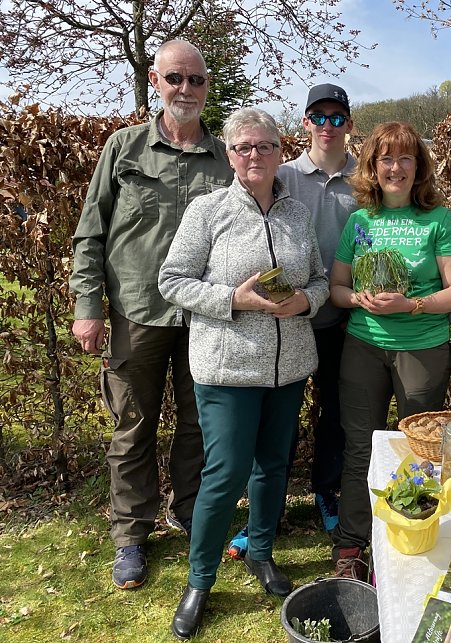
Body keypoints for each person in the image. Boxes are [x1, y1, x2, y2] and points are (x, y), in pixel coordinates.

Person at [158, 107, 328, 640]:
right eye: (243, 147)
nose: (255, 156)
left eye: (265, 146)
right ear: (229, 155)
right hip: (227, 369)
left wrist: (303, 300)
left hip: (288, 368)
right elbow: (171, 280)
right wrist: (232, 297)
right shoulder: (208, 212)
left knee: (273, 466)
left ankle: (260, 552)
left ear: (282, 151)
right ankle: (200, 579)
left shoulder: (298, 214)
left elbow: (321, 279)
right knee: (225, 474)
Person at [69, 39, 233, 590]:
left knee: (200, 426)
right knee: (133, 427)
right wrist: (88, 307)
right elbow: (91, 232)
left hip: (205, 319)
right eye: (174, 79)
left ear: (206, 87)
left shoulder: (225, 157)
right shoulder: (125, 148)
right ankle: (131, 537)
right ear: (155, 83)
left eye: (195, 80)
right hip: (136, 313)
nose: (185, 89)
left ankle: (187, 514)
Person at [328, 122, 451, 580]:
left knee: (418, 450)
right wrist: (358, 300)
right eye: (386, 158)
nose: (396, 167)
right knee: (359, 448)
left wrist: (410, 305)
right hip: (363, 347)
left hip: (422, 351)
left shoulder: (438, 219)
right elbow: (336, 288)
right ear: (372, 166)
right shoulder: (359, 221)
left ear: (418, 167)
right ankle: (352, 546)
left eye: (406, 158)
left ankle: (411, 537)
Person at [226, 84, 356, 558]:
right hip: (285, 323)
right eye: (318, 116)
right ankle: (268, 511)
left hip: (343, 319)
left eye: (336, 117)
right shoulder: (280, 173)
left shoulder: (365, 180)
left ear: (348, 123)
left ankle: (326, 490)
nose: (327, 125)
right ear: (304, 123)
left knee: (336, 419)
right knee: (274, 425)